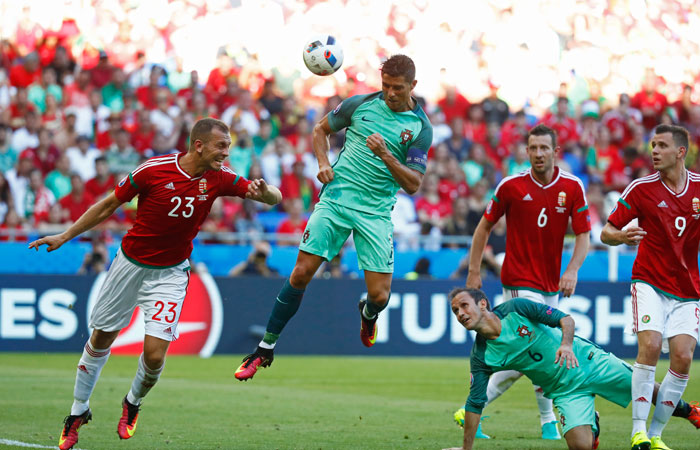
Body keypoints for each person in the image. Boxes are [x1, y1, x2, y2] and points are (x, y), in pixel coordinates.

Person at [28, 118, 281, 450]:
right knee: (100, 338)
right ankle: (78, 411)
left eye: (228, 147)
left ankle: (132, 402)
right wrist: (65, 235)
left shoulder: (219, 179)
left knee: (155, 355)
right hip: (129, 266)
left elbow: (272, 198)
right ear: (199, 145)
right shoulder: (153, 170)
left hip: (170, 273)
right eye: (221, 146)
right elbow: (108, 205)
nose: (226, 153)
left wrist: (267, 193)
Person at [234, 54, 432, 381]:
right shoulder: (359, 105)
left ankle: (367, 315)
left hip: (376, 213)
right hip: (337, 200)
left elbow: (413, 184)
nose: (391, 93)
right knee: (300, 274)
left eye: (398, 88)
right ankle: (264, 349)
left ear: (413, 85)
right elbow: (319, 130)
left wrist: (385, 154)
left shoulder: (420, 129)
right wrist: (323, 163)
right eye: (385, 86)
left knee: (380, 297)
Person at [446, 288, 700, 450]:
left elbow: (565, 319)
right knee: (581, 446)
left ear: (482, 304)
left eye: (464, 305)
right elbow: (474, 403)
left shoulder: (516, 308)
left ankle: (691, 412)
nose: (460, 313)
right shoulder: (481, 356)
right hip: (564, 391)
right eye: (455, 310)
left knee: (646, 391)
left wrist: (566, 344)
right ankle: (593, 425)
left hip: (589, 362)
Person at [465, 124, 591, 440]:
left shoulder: (573, 187)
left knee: (531, 355)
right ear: (527, 151)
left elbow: (584, 235)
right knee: (539, 351)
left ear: (555, 151)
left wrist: (572, 269)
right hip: (518, 280)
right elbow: (483, 228)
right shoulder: (511, 186)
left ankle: (474, 408)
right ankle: (546, 421)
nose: (538, 154)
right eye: (533, 148)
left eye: (543, 148)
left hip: (551, 283)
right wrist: (474, 271)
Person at [600, 124, 700, 450]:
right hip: (649, 282)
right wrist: (622, 236)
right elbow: (606, 232)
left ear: (680, 152)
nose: (654, 151)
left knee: (683, 357)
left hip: (687, 288)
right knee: (652, 345)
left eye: (661, 145)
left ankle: (656, 435)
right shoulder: (641, 189)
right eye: (652, 144)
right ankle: (638, 430)